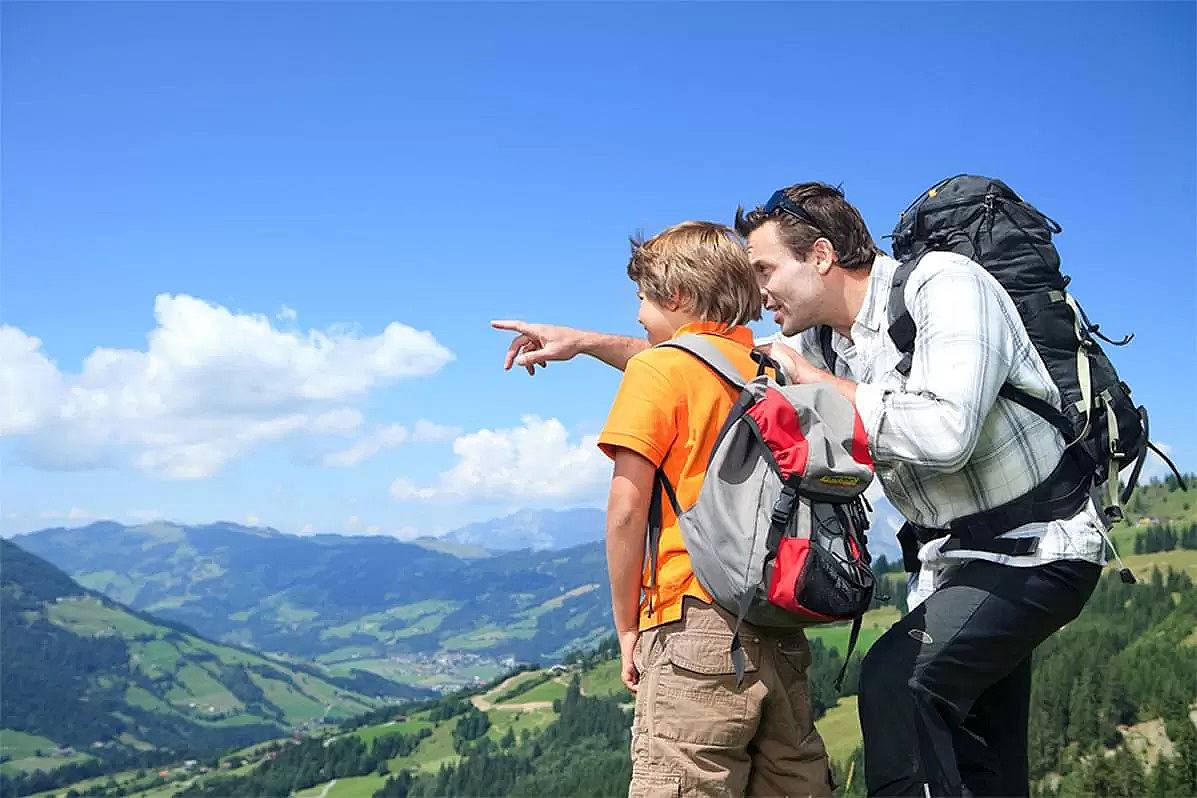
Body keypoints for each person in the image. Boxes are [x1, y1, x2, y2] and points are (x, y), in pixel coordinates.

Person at [494, 183, 1106, 797]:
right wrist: (585, 343)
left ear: (819, 256)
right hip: (948, 567)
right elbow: (699, 365)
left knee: (900, 679)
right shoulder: (822, 343)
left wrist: (818, 383)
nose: (758, 291)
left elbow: (946, 430)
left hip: (1036, 546)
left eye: (764, 268)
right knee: (982, 755)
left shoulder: (944, 285)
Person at [592, 220, 833, 797]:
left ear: (676, 296)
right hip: (780, 624)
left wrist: (628, 625)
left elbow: (626, 511)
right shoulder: (770, 368)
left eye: (643, 300)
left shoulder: (660, 366)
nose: (638, 318)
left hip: (693, 620)